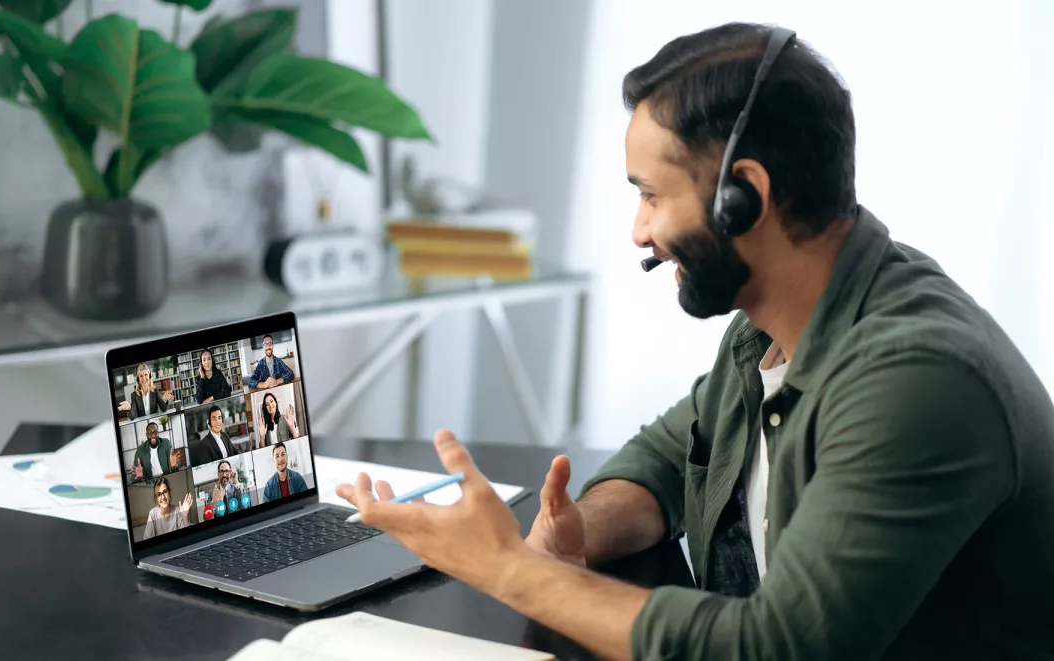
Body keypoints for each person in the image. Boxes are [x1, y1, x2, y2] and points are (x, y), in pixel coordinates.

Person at [334, 23, 1054, 661]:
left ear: (743, 195)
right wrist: (576, 528)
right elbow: (670, 456)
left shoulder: (916, 379)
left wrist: (511, 568)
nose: (638, 232)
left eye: (651, 195)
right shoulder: (771, 328)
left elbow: (782, 646)